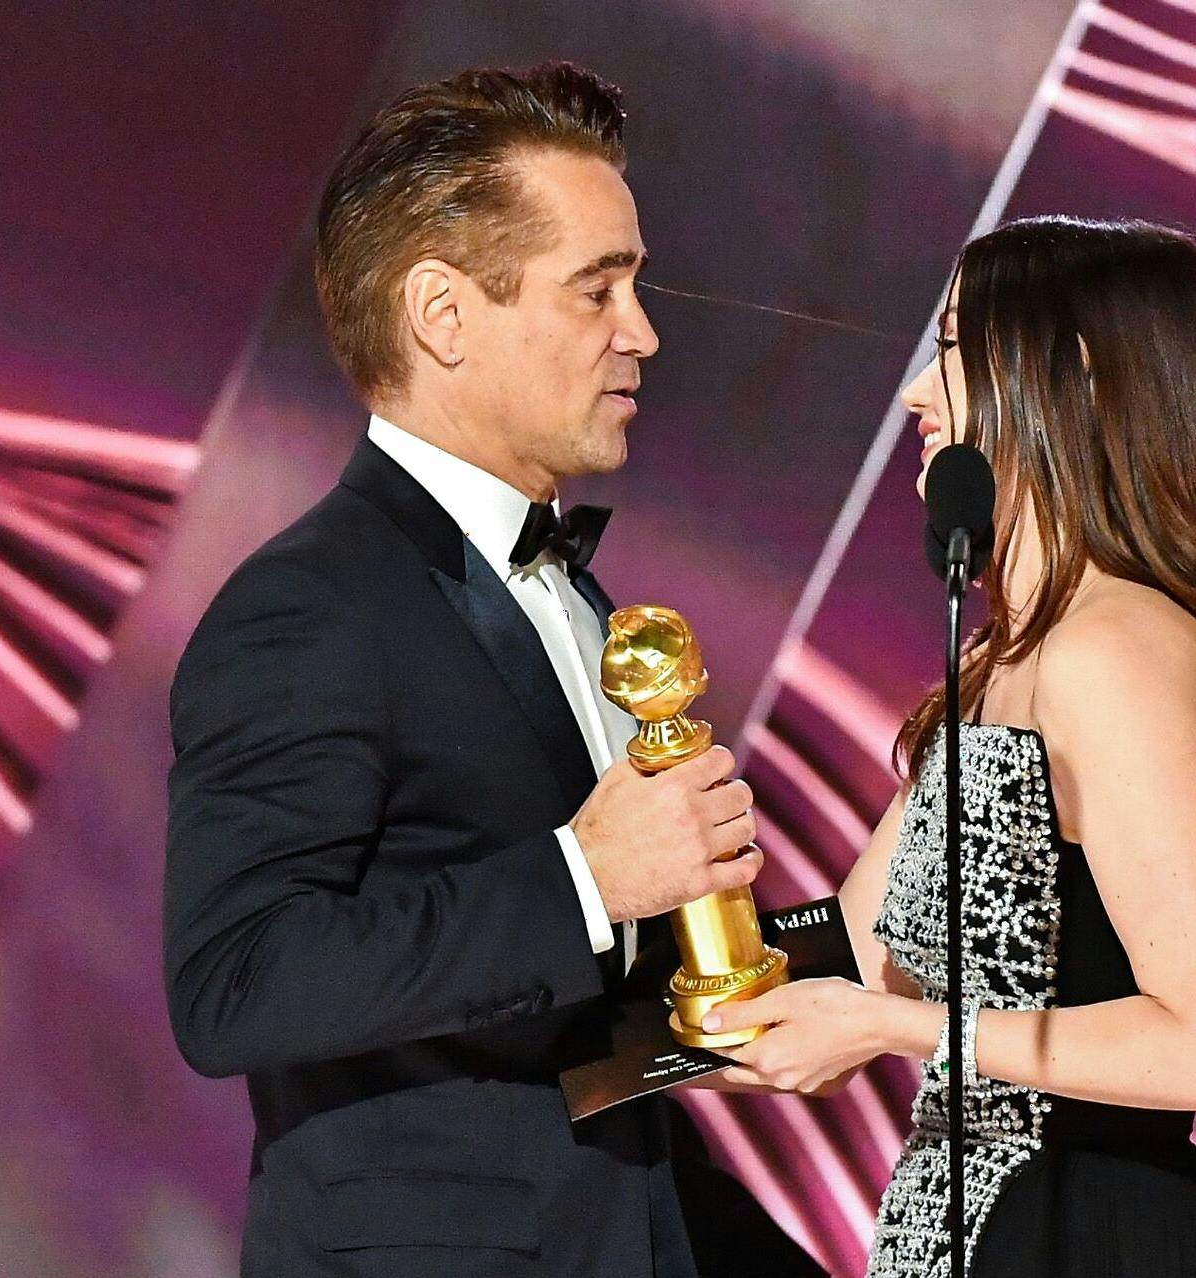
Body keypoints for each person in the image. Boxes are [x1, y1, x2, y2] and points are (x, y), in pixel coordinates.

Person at [162, 62, 771, 1278]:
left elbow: (575, 1047)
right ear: (443, 316)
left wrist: (838, 945)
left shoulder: (569, 593)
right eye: (599, 289)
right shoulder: (309, 605)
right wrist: (586, 876)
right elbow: (235, 981)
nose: (642, 332)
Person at [696, 216, 1196, 1276]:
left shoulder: (1113, 647)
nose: (918, 395)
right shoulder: (1001, 661)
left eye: (955, 351)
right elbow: (851, 953)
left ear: (1074, 380)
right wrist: (575, 1009)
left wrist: (909, 1033)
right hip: (957, 1234)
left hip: (1086, 1234)